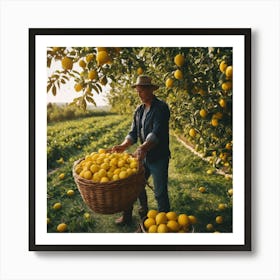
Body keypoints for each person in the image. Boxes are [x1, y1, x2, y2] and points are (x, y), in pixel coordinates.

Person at [112, 75, 171, 225]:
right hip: (143, 156)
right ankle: (140, 216)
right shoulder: (139, 110)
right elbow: (133, 133)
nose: (139, 94)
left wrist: (143, 147)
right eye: (137, 91)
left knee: (159, 192)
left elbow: (156, 132)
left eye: (142, 91)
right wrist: (124, 145)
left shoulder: (161, 108)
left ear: (151, 90)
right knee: (134, 187)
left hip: (158, 156)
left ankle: (165, 222)